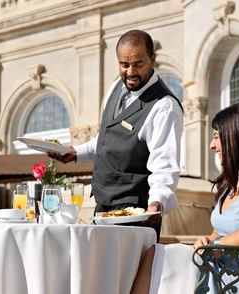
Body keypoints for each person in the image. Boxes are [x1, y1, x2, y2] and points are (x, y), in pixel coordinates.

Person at [130, 103, 239, 294]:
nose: (212, 145)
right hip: (220, 266)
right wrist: (207, 240)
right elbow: (218, 233)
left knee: (157, 257)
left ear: (238, 137)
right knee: (154, 255)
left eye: (216, 136)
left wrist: (215, 245)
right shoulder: (229, 186)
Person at [48, 30, 183, 238]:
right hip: (103, 207)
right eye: (124, 64)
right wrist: (75, 153)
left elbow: (164, 164)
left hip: (136, 213)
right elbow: (106, 139)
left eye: (138, 64)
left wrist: (157, 203)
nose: (130, 72)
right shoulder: (115, 89)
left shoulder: (164, 106)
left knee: (127, 271)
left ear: (153, 60)